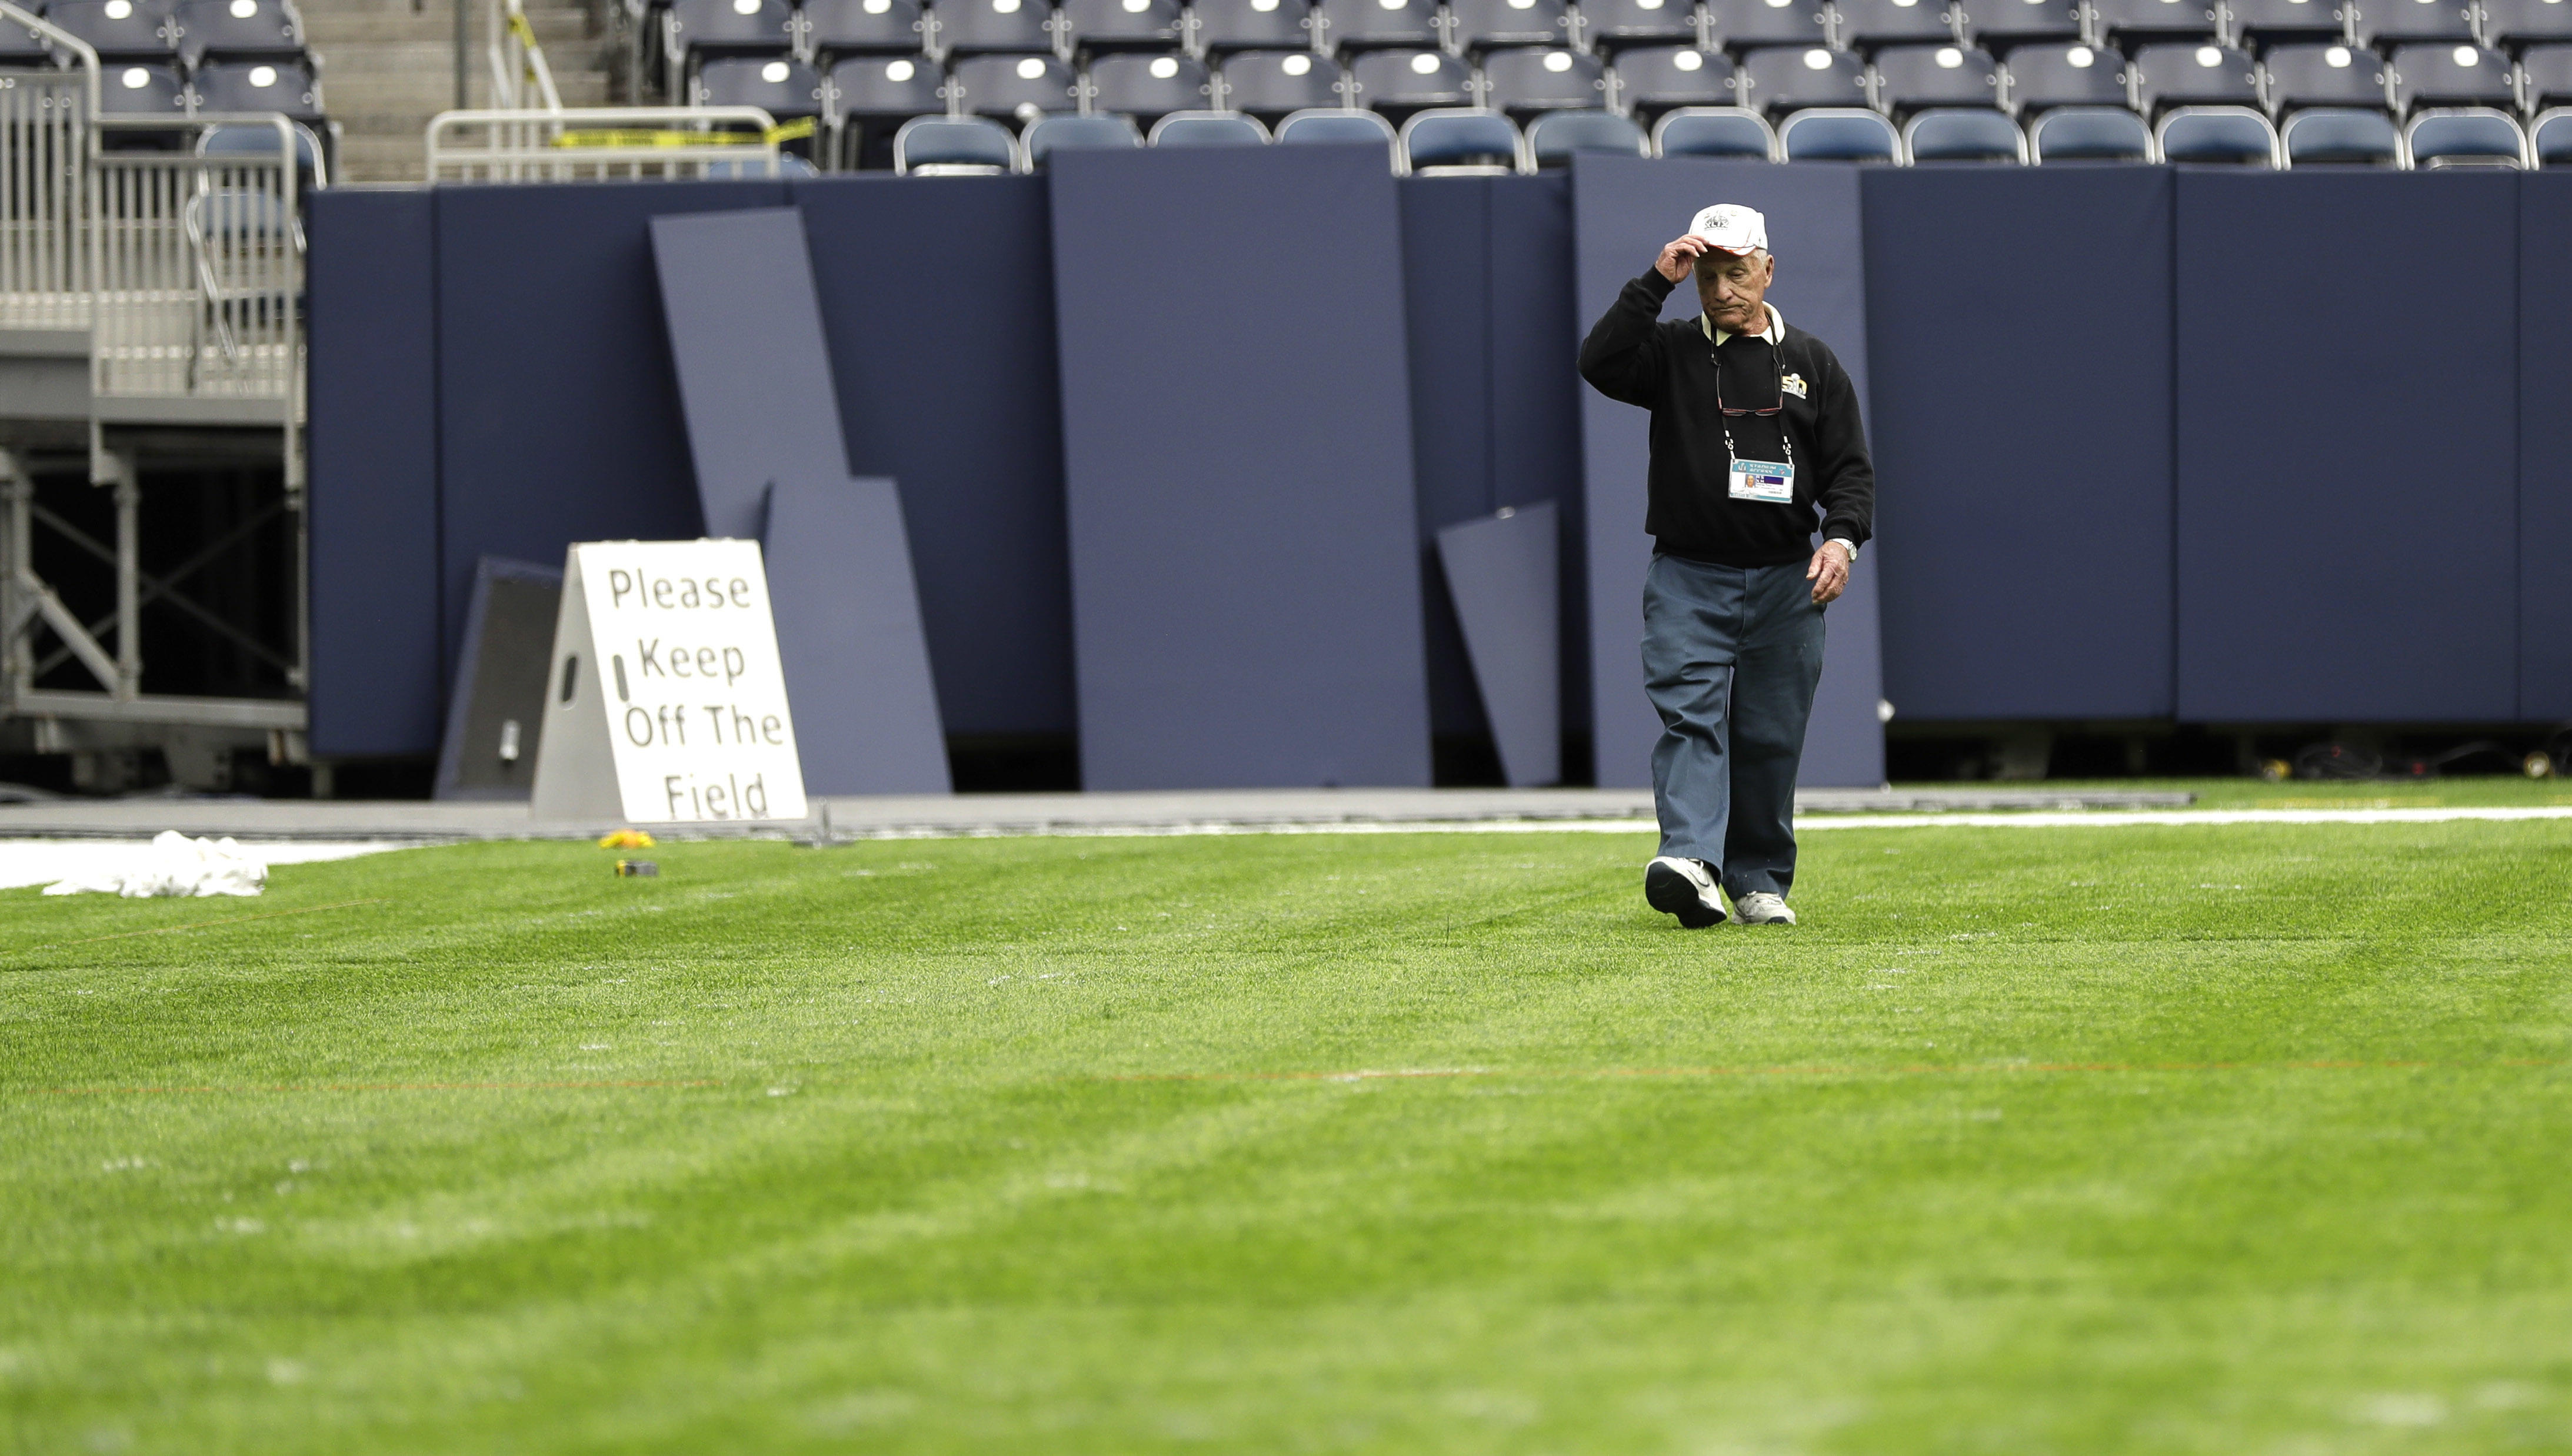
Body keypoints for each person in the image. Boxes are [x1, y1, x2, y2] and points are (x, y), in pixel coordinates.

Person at [1577, 203, 1876, 929]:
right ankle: (1690, 861)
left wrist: (1840, 541)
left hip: (1787, 583)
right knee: (1691, 720)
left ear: (1768, 270)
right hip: (1688, 575)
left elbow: (1850, 472)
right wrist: (1656, 281)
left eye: (1736, 274)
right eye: (1707, 277)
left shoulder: (1813, 362)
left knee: (1771, 736)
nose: (1720, 290)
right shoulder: (1671, 350)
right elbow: (1599, 362)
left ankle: (1757, 880)